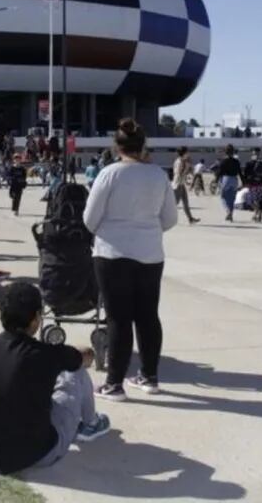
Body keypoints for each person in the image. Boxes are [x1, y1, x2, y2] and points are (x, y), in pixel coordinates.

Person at [84, 118, 177, 401]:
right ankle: (149, 377)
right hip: (150, 254)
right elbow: (170, 219)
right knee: (148, 316)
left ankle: (115, 383)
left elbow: (90, 219)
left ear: (117, 146)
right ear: (143, 146)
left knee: (118, 319)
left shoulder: (109, 174)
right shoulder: (158, 175)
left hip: (113, 253)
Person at [0, 283, 110, 474]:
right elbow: (85, 357)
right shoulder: (46, 355)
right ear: (36, 318)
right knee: (75, 373)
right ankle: (91, 424)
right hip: (38, 453)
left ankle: (85, 422)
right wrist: (75, 353)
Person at [171, 146, 199, 225]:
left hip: (181, 184)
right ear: (184, 153)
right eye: (187, 152)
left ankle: (190, 219)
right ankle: (162, 216)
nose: (188, 153)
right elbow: (179, 173)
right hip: (178, 184)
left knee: (185, 202)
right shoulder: (180, 161)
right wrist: (187, 170)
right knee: (175, 203)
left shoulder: (183, 161)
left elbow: (189, 171)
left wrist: (189, 166)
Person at [243, 147, 262, 223]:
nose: (255, 155)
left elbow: (245, 174)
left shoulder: (250, 163)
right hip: (258, 184)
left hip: (255, 184)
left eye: (255, 153)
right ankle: (257, 214)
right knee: (256, 200)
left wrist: (245, 183)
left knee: (254, 200)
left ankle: (257, 214)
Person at [217, 145, 242, 222]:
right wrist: (244, 182)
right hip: (235, 180)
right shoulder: (236, 161)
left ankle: (228, 211)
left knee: (223, 197)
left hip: (226, 179)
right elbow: (240, 172)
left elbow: (220, 172)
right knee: (232, 199)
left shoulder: (223, 161)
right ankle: (231, 214)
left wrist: (216, 180)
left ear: (225, 152)